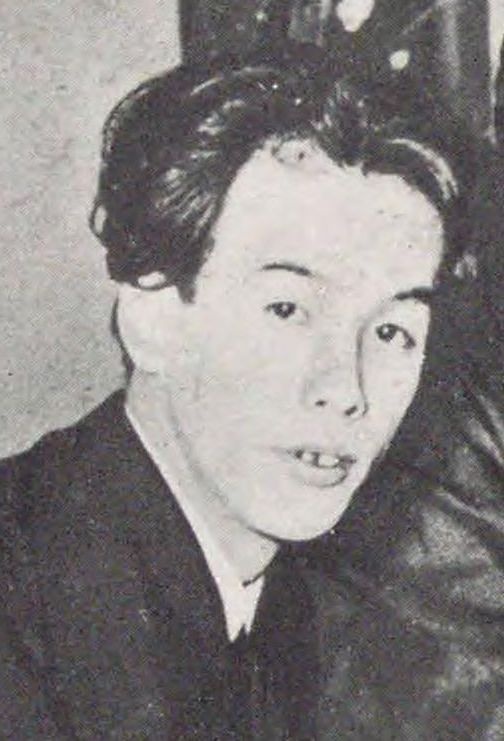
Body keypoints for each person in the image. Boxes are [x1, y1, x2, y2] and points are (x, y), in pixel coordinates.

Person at [0, 62, 477, 738]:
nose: (345, 390)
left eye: (392, 331)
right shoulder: (27, 605)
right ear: (153, 319)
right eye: (287, 309)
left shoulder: (288, 606)